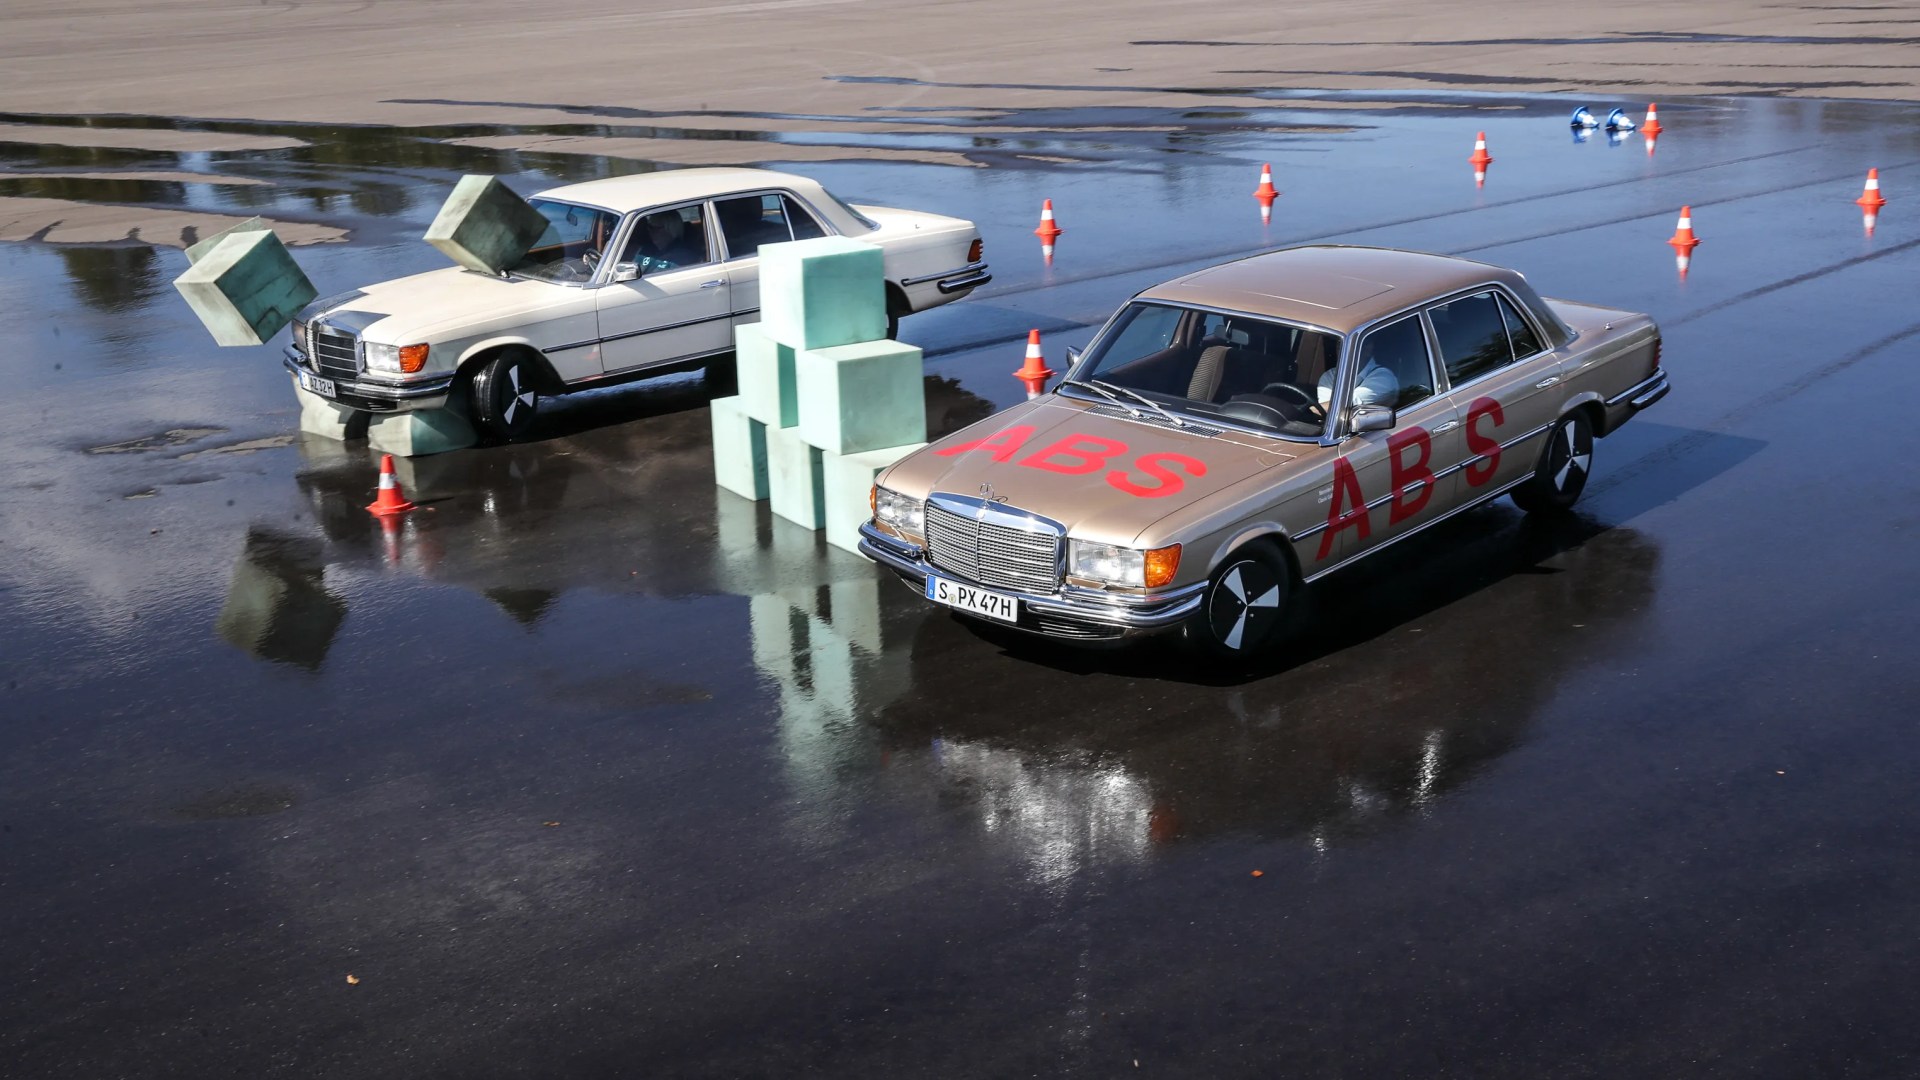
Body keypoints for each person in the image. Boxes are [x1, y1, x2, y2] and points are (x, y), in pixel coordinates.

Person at [630, 210, 706, 272]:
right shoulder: (650, 248)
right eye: (649, 227)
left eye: (655, 228)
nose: (650, 231)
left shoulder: (681, 255)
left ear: (670, 229)